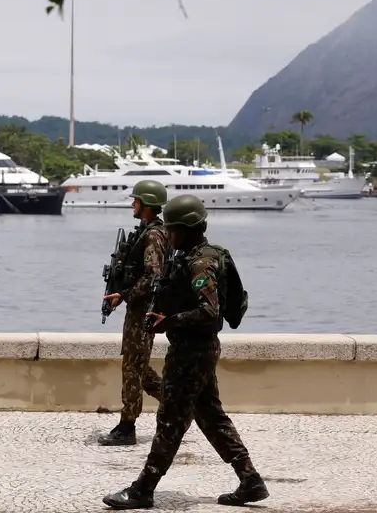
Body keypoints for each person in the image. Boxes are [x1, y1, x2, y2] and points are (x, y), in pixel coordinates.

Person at [103, 194, 268, 509]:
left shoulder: (199, 263)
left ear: (189, 229)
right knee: (211, 416)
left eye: (174, 230)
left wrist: (170, 321)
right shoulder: (202, 255)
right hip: (199, 350)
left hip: (191, 352)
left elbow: (210, 312)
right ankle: (250, 480)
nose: (170, 235)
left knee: (170, 420)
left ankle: (143, 489)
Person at [99, 179, 169, 446]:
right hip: (137, 310)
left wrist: (124, 295)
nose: (133, 204)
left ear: (148, 206)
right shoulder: (145, 231)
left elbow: (153, 275)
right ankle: (183, 404)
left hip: (144, 312)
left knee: (133, 368)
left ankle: (127, 427)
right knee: (138, 368)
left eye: (136, 201)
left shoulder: (152, 235)